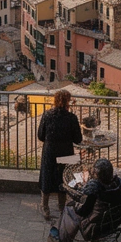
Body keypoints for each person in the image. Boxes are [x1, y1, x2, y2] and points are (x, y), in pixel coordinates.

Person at [49, 158, 121, 242]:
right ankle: (58, 228)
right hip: (114, 224)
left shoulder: (97, 189)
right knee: (75, 207)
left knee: (69, 208)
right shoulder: (118, 184)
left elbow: (83, 211)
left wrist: (74, 202)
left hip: (95, 229)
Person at [37, 89, 83, 221]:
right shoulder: (72, 118)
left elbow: (40, 135)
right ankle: (62, 207)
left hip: (49, 152)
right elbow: (78, 139)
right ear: (68, 101)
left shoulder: (47, 115)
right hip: (66, 153)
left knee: (47, 177)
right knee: (64, 178)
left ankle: (45, 207)